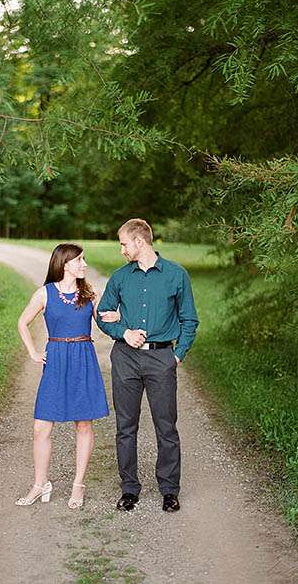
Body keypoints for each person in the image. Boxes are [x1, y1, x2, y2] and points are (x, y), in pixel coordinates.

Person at [96, 218, 199, 513]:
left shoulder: (176, 275)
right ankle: (129, 489)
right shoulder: (120, 278)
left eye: (123, 244)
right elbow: (103, 313)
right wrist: (123, 332)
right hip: (125, 359)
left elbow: (189, 319)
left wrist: (177, 355)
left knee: (166, 427)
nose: (122, 250)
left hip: (161, 359)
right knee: (125, 427)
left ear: (140, 242)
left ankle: (169, 490)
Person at [15, 243, 116, 509]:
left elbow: (104, 323)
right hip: (56, 360)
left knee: (83, 425)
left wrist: (118, 318)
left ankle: (78, 485)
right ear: (65, 263)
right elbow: (22, 322)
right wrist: (34, 353)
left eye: (84, 260)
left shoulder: (88, 294)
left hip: (84, 359)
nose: (84, 264)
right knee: (41, 428)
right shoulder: (45, 293)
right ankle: (40, 484)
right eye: (80, 260)